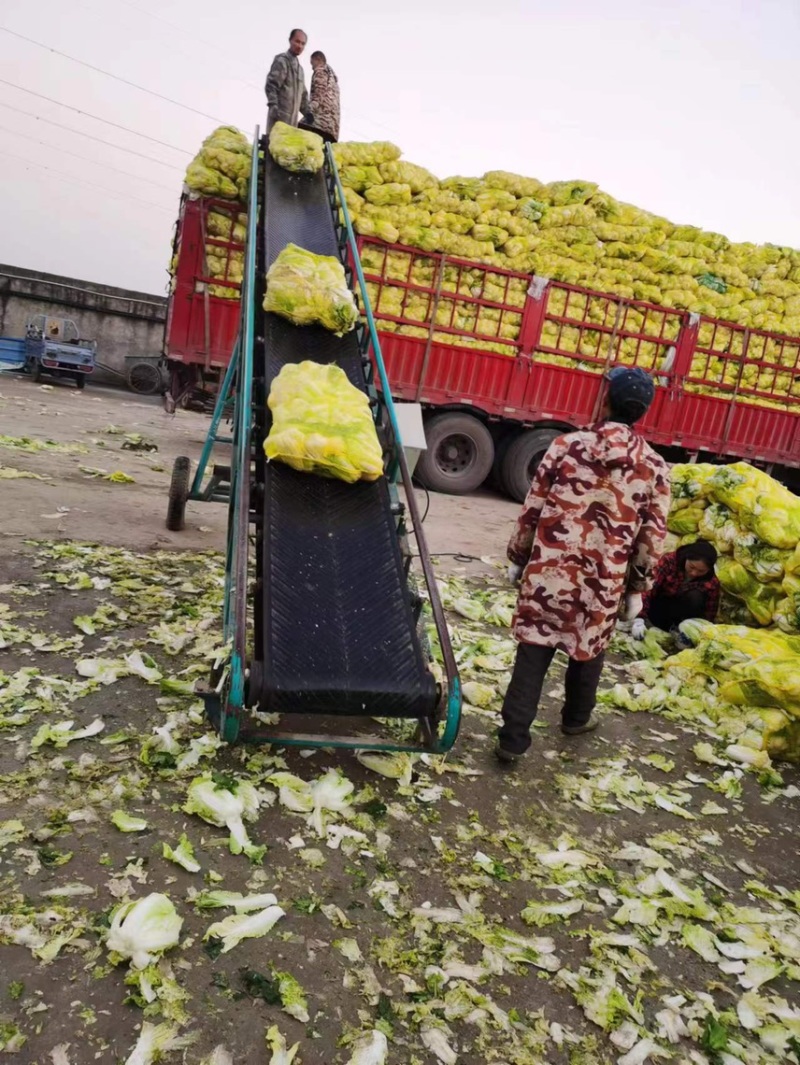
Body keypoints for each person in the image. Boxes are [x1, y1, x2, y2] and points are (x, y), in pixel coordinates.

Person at [496, 366, 671, 764]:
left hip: (550, 572)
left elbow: (532, 510)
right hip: (603, 582)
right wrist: (636, 591)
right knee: (588, 646)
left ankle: (512, 740)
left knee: (535, 648)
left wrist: (517, 558)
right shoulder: (655, 467)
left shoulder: (564, 447)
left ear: (605, 401)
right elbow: (650, 540)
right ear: (642, 411)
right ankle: (576, 719)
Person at [632, 540, 720, 639]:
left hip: (683, 617)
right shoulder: (669, 561)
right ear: (686, 557)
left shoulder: (712, 582)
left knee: (696, 597)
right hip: (659, 607)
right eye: (691, 567)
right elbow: (649, 588)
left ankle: (680, 632)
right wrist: (639, 617)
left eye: (701, 571)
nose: (694, 573)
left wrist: (702, 634)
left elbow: (709, 612)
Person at [265, 29, 313, 134]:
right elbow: (271, 85)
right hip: (278, 122)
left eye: (303, 44)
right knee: (273, 149)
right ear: (290, 40)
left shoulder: (300, 70)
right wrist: (273, 106)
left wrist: (308, 113)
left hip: (291, 126)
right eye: (297, 41)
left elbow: (303, 97)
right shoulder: (282, 61)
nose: (299, 46)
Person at [308, 51, 341, 142]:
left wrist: (308, 111)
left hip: (319, 123)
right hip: (332, 128)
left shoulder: (321, 71)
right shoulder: (333, 81)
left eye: (312, 63)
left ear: (318, 60)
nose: (312, 67)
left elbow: (319, 93)